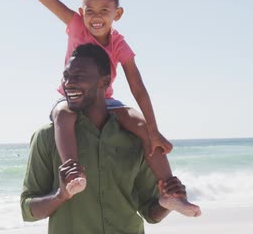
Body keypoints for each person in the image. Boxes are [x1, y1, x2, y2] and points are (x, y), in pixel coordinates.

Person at [0, 0, 200, 217]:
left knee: (140, 125)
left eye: (104, 11)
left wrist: (154, 130)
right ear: (82, 11)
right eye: (90, 10)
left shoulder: (119, 43)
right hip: (72, 98)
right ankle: (73, 175)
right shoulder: (76, 25)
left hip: (105, 101)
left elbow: (138, 86)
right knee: (63, 116)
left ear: (117, 14)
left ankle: (172, 195)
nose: (96, 17)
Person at [21, 43, 189, 233]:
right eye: (66, 77)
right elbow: (28, 209)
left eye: (79, 77)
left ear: (105, 82)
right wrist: (61, 195)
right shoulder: (47, 137)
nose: (68, 83)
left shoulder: (134, 138)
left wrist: (166, 202)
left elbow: (150, 212)